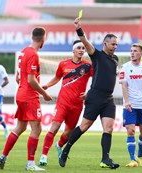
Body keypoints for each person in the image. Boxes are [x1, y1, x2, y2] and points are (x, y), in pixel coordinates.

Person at [59, 17, 119, 169]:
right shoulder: (97, 55)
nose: (115, 47)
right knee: (84, 126)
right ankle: (66, 150)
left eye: (116, 44)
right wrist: (78, 28)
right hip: (96, 97)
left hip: (108, 99)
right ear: (105, 44)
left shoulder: (115, 59)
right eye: (113, 44)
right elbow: (85, 41)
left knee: (109, 128)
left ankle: (105, 159)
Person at [0, 27, 52, 171]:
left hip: (20, 94)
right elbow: (31, 80)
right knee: (37, 129)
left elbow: (17, 77)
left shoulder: (23, 52)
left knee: (20, 127)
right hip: (29, 97)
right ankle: (30, 164)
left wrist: (24, 88)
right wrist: (44, 94)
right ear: (43, 40)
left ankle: (3, 156)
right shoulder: (33, 54)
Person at [38, 40, 93, 166]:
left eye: (83, 48)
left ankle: (59, 145)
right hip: (62, 102)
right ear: (73, 50)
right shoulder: (63, 64)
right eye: (79, 48)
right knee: (54, 127)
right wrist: (47, 85)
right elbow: (57, 77)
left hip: (77, 105)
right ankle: (43, 157)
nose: (81, 50)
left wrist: (89, 93)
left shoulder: (88, 66)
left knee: (68, 133)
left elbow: (97, 79)